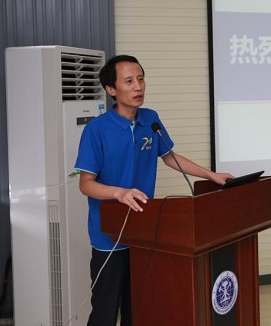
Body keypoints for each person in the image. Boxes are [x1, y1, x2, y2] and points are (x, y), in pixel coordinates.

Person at [74, 54, 233, 326]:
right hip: (109, 236)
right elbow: (85, 184)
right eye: (129, 81)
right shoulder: (96, 130)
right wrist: (119, 193)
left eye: (141, 79)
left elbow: (169, 156)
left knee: (139, 307)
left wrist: (210, 175)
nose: (138, 87)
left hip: (145, 231)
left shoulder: (151, 119)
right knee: (105, 311)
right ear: (111, 89)